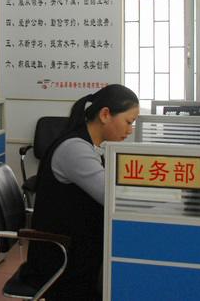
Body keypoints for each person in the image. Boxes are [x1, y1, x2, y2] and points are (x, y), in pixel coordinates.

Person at [19, 84, 139, 300]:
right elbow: (113, 197)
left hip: (77, 246)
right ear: (105, 115)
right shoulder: (75, 149)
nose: (129, 131)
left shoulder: (90, 145)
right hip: (62, 259)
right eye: (128, 122)